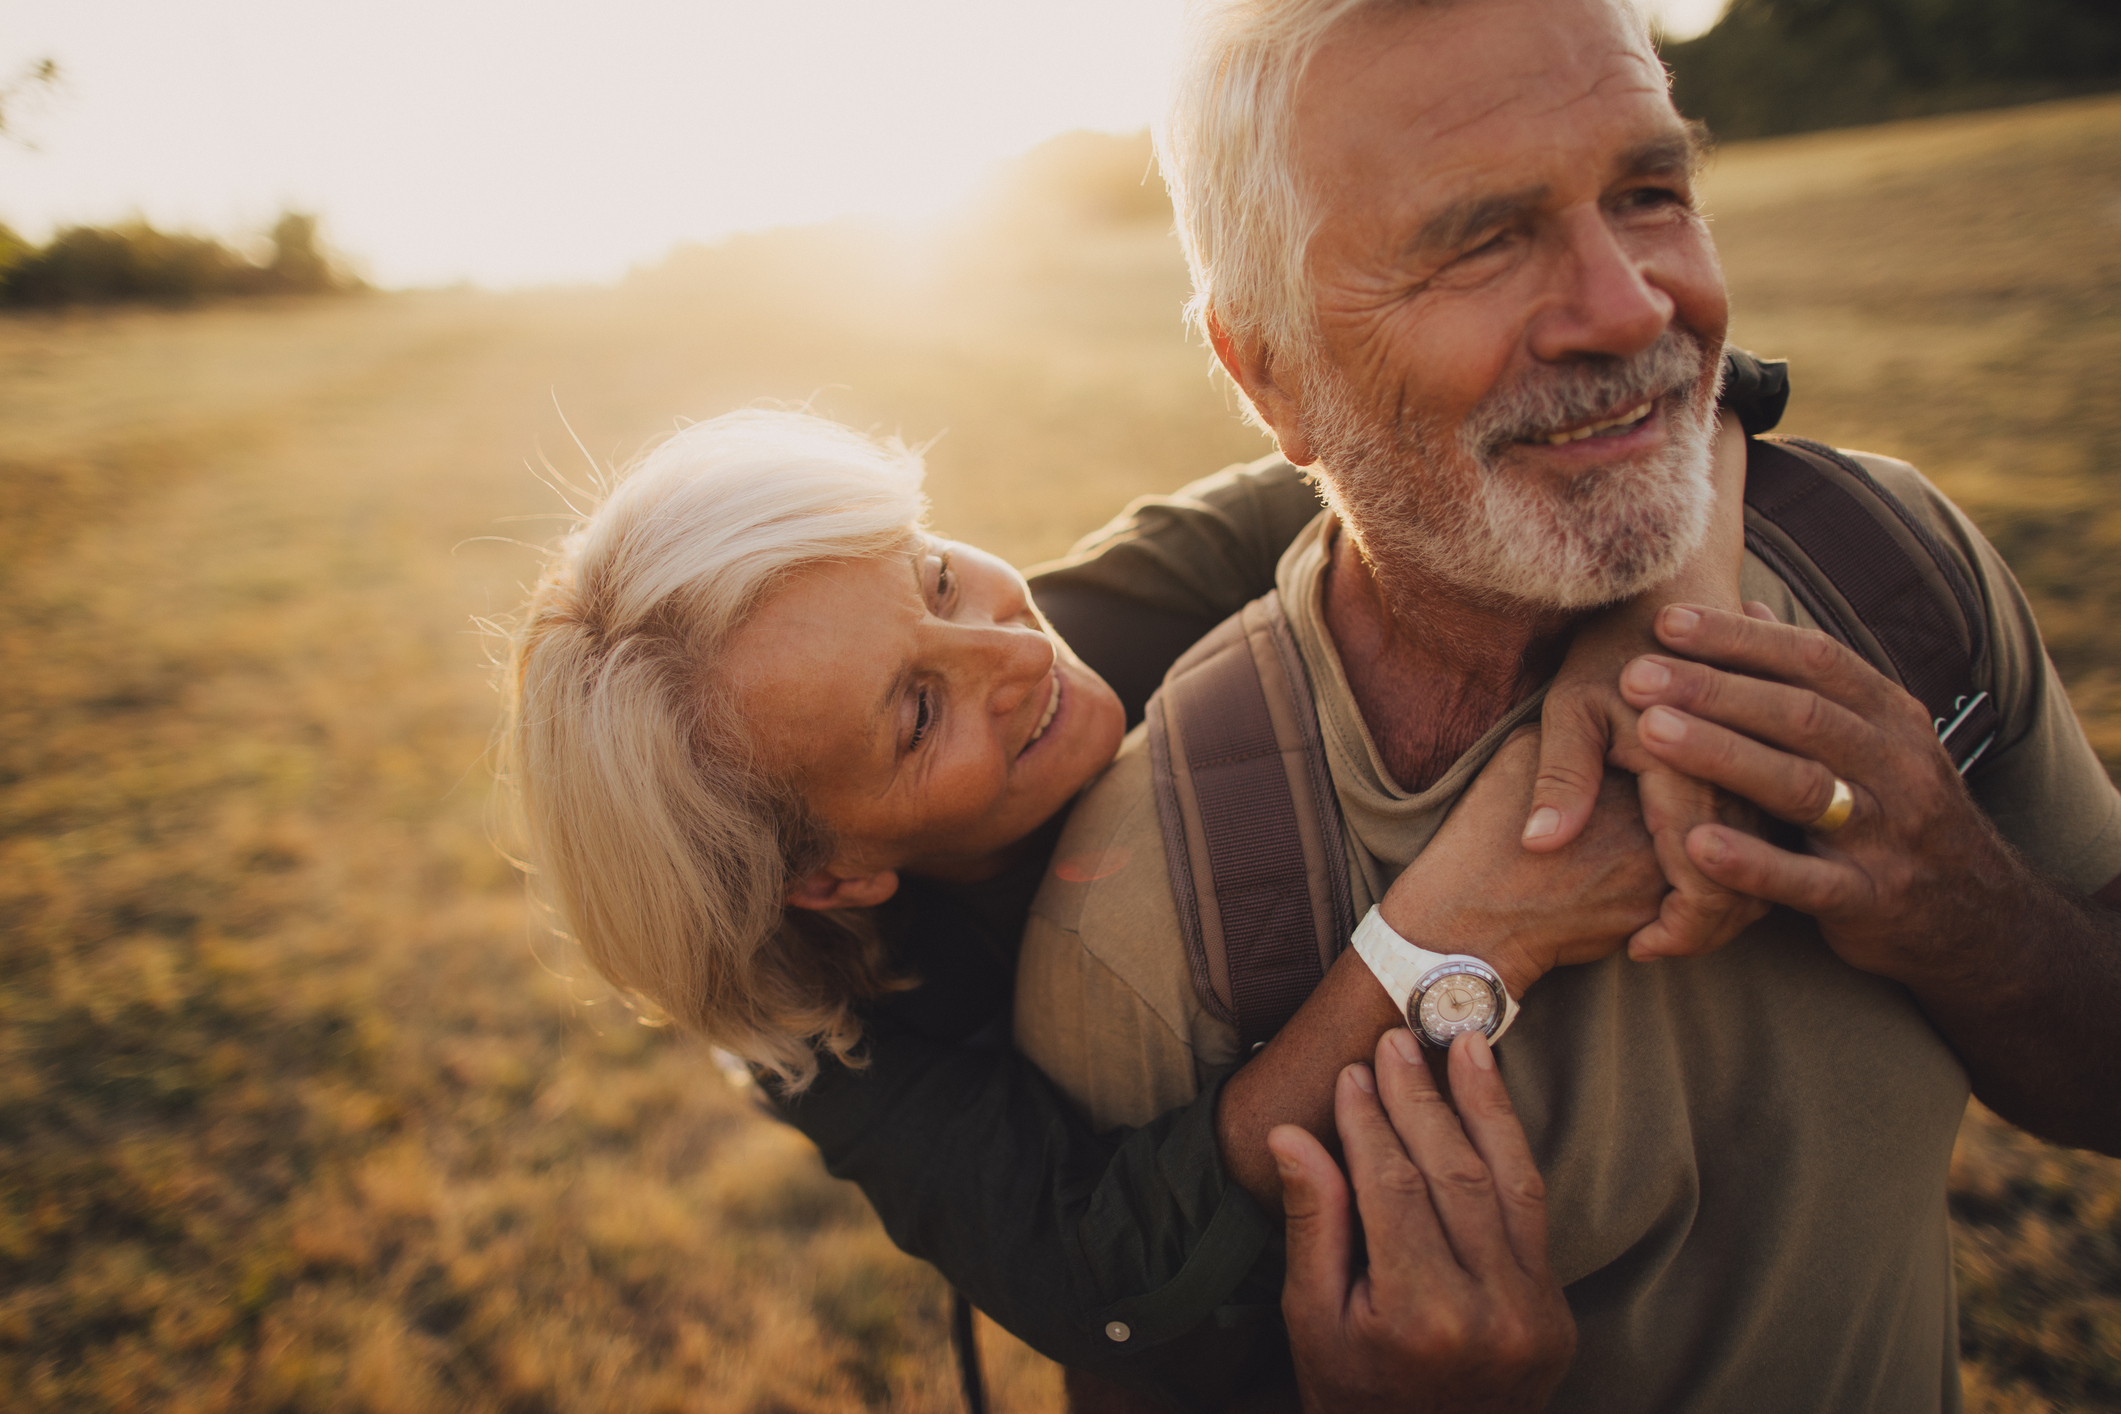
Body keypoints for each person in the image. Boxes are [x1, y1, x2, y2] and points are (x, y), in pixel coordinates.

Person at [1013, 0, 2121, 1409]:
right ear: (1269, 371)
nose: (1631, 307)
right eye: (1478, 237)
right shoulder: (1154, 916)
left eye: (1650, 194)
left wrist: (1971, 907)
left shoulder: (1890, 570)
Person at [497, 389, 1760, 1408]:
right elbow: (1100, 1277)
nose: (1015, 649)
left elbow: (1628, 388)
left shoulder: (1124, 594)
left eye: (935, 577)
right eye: (918, 713)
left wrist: (1663, 632)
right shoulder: (824, 1033)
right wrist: (1462, 928)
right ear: (834, 876)